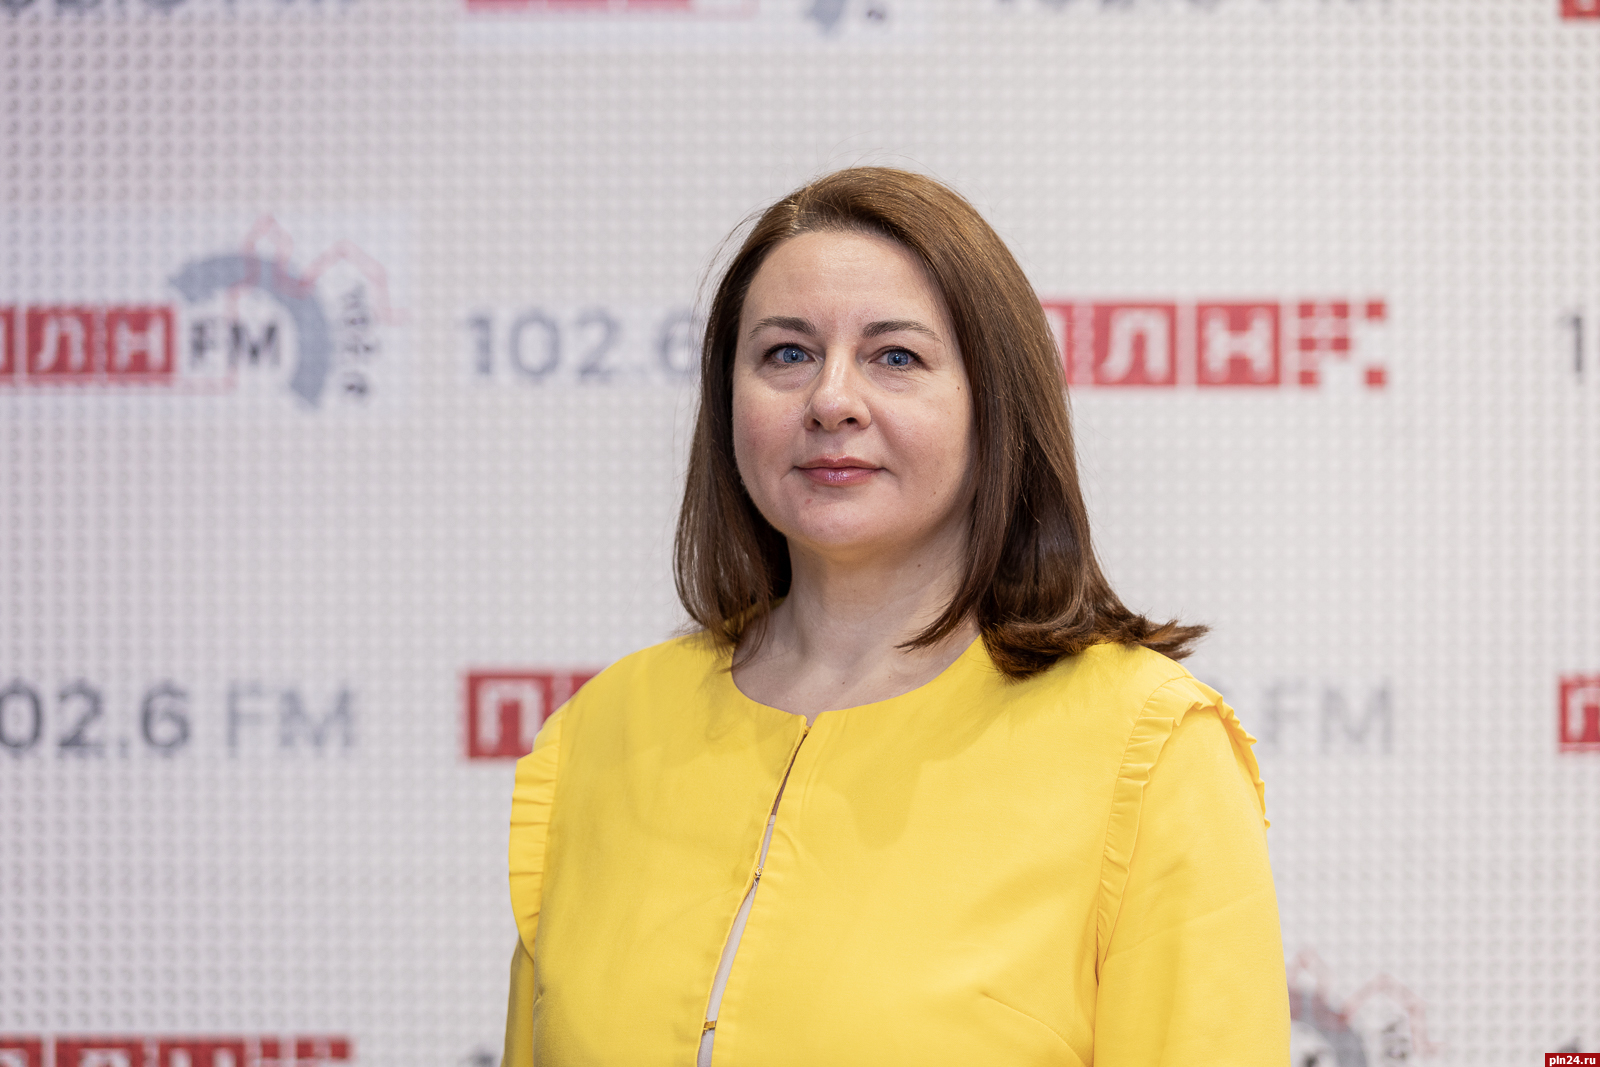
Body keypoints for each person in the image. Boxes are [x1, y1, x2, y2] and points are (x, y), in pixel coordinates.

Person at [502, 167, 1289, 1066]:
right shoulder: (602, 730)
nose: (831, 400)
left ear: (995, 402)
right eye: (786, 354)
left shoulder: (1148, 745)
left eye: (896, 357)